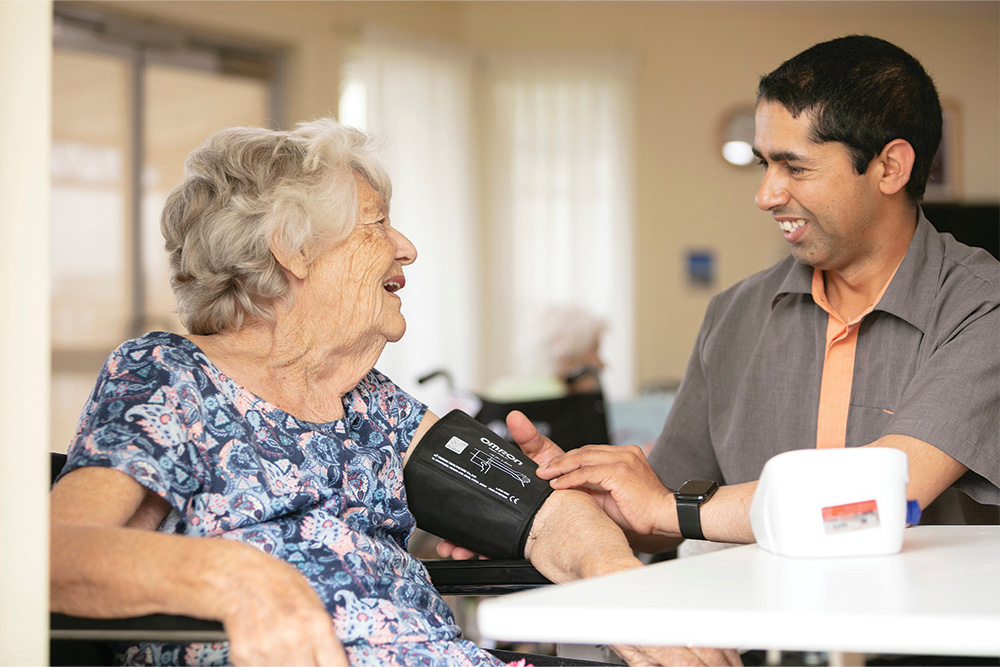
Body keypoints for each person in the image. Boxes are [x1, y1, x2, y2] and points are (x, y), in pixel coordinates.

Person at [49, 118, 740, 667]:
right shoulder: (169, 377)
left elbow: (549, 512)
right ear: (292, 247)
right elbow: (52, 555)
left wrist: (627, 597)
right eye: (377, 223)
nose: (405, 247)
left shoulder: (374, 404)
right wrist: (238, 577)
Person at [526, 35, 999, 553]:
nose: (766, 195)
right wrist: (550, 510)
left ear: (890, 167)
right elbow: (655, 515)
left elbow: (877, 500)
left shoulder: (982, 310)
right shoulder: (733, 315)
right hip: (757, 632)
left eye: (794, 167)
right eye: (763, 165)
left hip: (913, 633)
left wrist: (665, 508)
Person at [485, 304, 608, 401]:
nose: (603, 364)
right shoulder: (570, 402)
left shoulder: (497, 390)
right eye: (594, 350)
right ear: (565, 355)